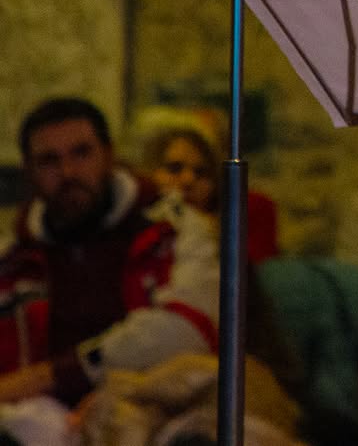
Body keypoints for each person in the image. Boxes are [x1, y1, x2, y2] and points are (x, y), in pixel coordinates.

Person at [0, 99, 218, 444]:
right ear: (29, 172)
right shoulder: (14, 259)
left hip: (161, 406)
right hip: (42, 420)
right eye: (49, 161)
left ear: (109, 155)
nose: (68, 172)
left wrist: (55, 376)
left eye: (81, 153)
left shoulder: (172, 228)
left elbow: (186, 330)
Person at [141, 116, 280, 265]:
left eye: (201, 172)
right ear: (151, 171)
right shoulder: (137, 222)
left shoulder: (245, 212)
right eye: (175, 168)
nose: (188, 180)